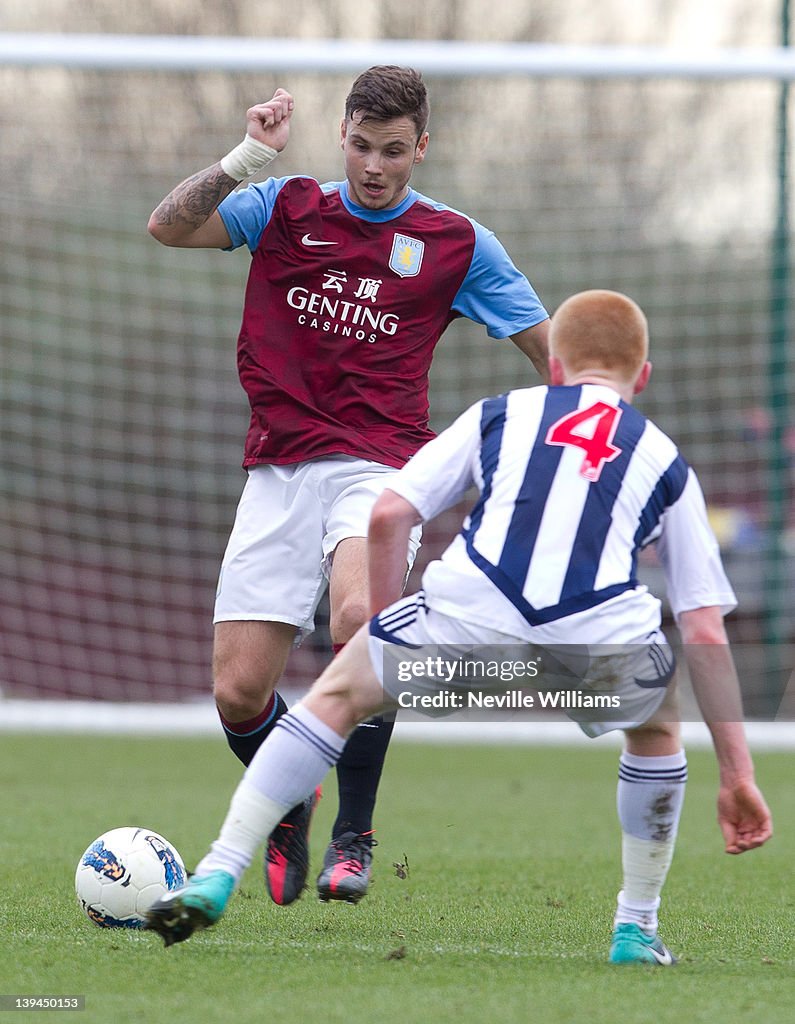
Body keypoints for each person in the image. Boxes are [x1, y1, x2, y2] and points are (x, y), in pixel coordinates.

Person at [145, 288, 772, 960]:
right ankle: (634, 929)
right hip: (592, 646)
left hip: (466, 621)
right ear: (640, 378)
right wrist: (736, 775)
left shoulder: (500, 414)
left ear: (553, 367)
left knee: (332, 697)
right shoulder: (665, 461)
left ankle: (217, 868)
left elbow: (388, 514)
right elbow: (704, 630)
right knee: (655, 730)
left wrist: (381, 634)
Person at [147, 65, 550, 906]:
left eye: (393, 151)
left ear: (421, 148)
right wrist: (245, 156)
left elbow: (551, 355)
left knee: (360, 620)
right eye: (362, 146)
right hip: (279, 466)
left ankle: (354, 835)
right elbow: (167, 227)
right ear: (342, 136)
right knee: (237, 690)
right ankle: (291, 797)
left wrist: (593, 420)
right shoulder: (285, 205)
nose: (374, 166)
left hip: (381, 465)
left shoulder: (456, 244)